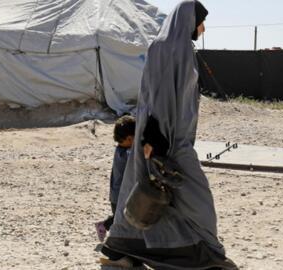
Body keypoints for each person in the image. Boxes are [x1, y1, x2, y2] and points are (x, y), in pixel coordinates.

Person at [100, 1, 238, 269]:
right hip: (168, 142)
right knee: (198, 202)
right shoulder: (169, 49)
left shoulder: (177, 48)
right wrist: (156, 141)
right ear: (188, 20)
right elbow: (158, 98)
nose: (203, 27)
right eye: (201, 21)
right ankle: (208, 254)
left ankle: (123, 248)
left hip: (174, 137)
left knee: (152, 193)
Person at [95, 115, 136, 242]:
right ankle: (103, 226)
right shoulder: (126, 154)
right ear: (129, 138)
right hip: (120, 195)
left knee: (121, 218)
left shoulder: (121, 150)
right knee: (124, 219)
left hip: (117, 194)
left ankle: (103, 225)